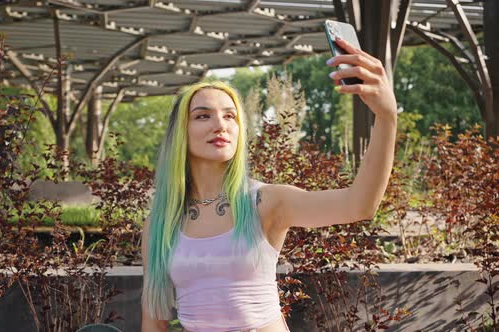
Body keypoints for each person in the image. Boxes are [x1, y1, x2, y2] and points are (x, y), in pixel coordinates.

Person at [141, 37, 398, 332]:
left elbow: (359, 204)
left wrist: (386, 116)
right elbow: (154, 319)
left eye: (230, 116)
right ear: (179, 134)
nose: (220, 125)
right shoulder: (159, 225)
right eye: (202, 116)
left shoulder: (265, 202)